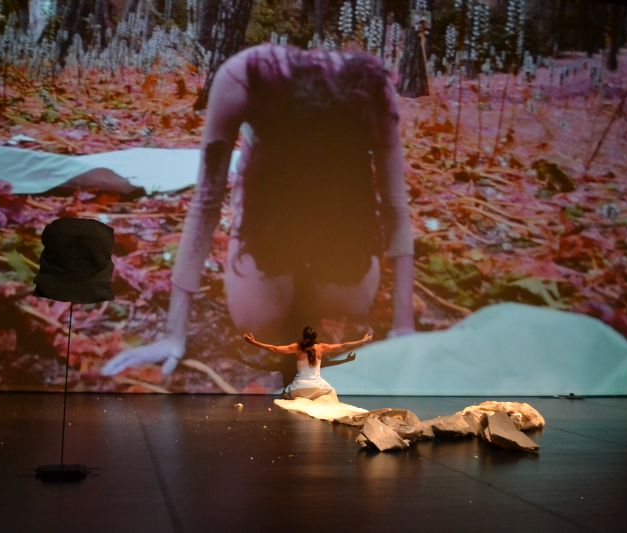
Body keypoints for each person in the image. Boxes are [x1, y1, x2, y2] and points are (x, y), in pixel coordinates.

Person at [102, 43, 413, 378]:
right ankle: (260, 174)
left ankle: (256, 165)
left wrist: (404, 329)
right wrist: (403, 328)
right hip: (317, 249)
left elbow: (207, 201)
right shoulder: (249, 78)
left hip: (322, 245)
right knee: (261, 315)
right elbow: (394, 205)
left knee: (305, 307)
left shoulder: (243, 76)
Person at [243, 327, 372, 399]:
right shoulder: (321, 347)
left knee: (286, 395)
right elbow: (343, 346)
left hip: (300, 388)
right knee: (330, 396)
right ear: (315, 338)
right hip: (318, 388)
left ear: (304, 336)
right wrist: (362, 341)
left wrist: (253, 342)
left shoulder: (297, 347)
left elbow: (274, 349)